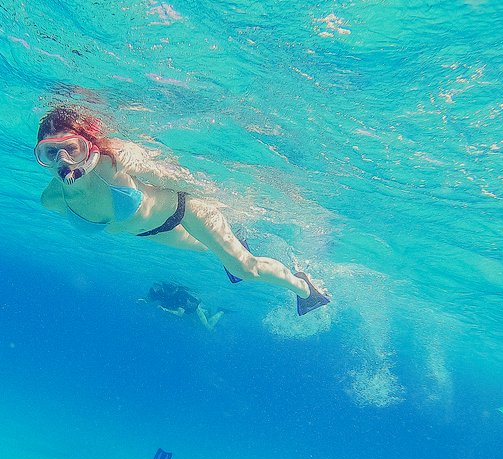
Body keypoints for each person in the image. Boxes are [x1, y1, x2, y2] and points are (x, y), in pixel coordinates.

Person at [34, 105, 331, 316]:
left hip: (188, 211)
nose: (64, 160)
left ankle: (305, 290)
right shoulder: (53, 199)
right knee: (213, 252)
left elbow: (177, 177)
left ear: (89, 145)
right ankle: (236, 240)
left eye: (72, 148)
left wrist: (218, 199)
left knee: (245, 268)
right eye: (50, 152)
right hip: (153, 232)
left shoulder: (115, 159)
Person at [140, 281, 226, 331]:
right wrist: (145, 301)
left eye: (171, 290)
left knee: (208, 327)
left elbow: (180, 313)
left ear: (176, 289)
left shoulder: (181, 296)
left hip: (195, 309)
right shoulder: (160, 291)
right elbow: (150, 298)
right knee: (196, 325)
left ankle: (221, 311)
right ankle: (208, 312)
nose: (168, 292)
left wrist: (165, 310)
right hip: (188, 311)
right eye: (166, 289)